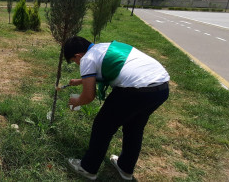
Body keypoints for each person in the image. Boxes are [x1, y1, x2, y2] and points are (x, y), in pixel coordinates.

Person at [63, 36, 169, 180]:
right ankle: (125, 168)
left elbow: (88, 96)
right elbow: (111, 68)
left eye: (74, 61)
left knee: (102, 127)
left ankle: (88, 168)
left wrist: (76, 101)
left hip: (135, 90)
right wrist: (81, 81)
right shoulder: (103, 47)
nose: (77, 64)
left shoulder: (87, 58)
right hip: (161, 87)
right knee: (134, 127)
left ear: (78, 55)